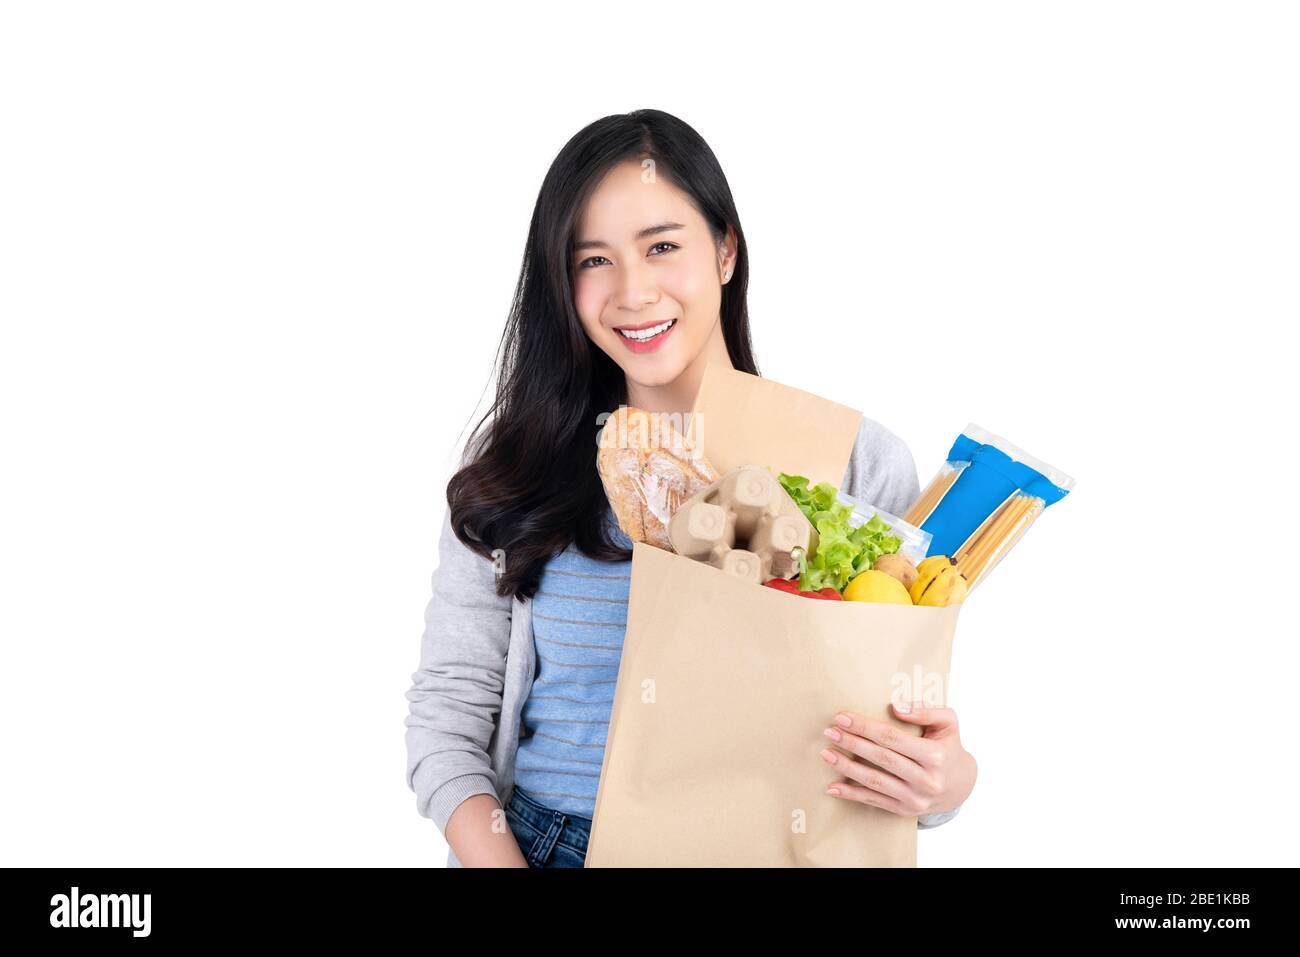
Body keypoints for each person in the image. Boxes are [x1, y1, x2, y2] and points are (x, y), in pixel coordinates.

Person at [404, 109, 977, 868]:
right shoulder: (519, 460)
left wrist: (947, 782)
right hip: (543, 848)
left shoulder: (856, 463)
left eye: (663, 247)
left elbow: (896, 723)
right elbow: (447, 716)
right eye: (592, 260)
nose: (632, 292)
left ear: (727, 250)